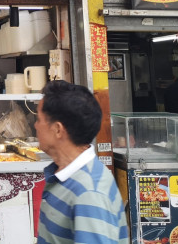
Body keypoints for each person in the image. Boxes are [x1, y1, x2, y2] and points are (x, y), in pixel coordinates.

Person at [36, 80, 128, 244]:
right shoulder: (67, 176)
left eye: (39, 119)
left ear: (58, 129)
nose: (35, 126)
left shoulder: (89, 193)